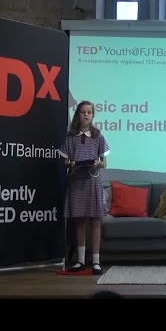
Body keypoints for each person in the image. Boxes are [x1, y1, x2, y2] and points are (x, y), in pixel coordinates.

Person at [61, 100, 110, 275]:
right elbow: (65, 162)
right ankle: (80, 260)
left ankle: (96, 261)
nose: (86, 115)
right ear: (78, 115)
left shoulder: (98, 137)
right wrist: (72, 164)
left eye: (89, 112)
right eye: (83, 112)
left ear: (93, 115)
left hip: (93, 181)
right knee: (79, 221)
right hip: (77, 181)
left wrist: (97, 163)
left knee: (95, 221)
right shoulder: (70, 137)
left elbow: (104, 163)